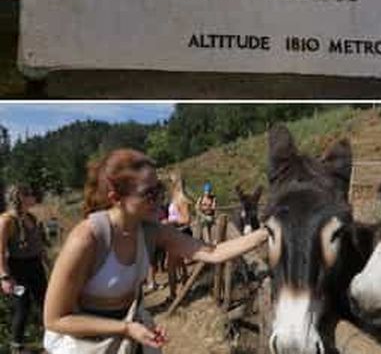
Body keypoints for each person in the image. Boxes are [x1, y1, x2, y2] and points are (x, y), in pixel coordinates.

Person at [43, 149, 270, 353]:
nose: (159, 199)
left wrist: (267, 232)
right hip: (86, 344)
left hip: (130, 333)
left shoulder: (150, 231)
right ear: (116, 198)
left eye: (159, 189)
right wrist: (124, 328)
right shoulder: (86, 239)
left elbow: (212, 252)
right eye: (149, 194)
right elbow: (54, 319)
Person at [0, 184, 49, 354]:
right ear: (20, 197)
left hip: (35, 266)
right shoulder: (7, 220)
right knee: (23, 306)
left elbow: (39, 246)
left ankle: (51, 340)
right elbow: (0, 251)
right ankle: (17, 346)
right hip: (18, 269)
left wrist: (50, 265)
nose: (34, 197)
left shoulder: (31, 217)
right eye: (30, 194)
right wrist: (4, 277)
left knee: (46, 302)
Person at [165, 172, 192, 300]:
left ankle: (173, 294)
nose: (169, 185)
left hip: (179, 233)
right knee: (178, 262)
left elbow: (187, 219)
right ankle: (185, 283)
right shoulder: (174, 198)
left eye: (171, 182)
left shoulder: (181, 198)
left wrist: (171, 221)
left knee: (170, 265)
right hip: (174, 233)